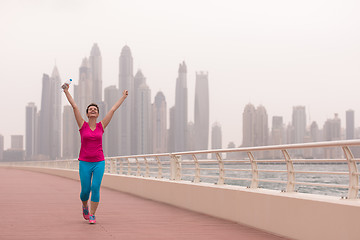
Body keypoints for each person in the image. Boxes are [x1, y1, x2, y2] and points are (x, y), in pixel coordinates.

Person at [63, 82, 128, 224]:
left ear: (98, 114)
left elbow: (112, 110)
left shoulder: (101, 125)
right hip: (85, 162)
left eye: (95, 109)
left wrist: (123, 97)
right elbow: (74, 106)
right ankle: (84, 206)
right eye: (90, 109)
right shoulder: (82, 125)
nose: (92, 110)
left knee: (95, 187)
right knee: (85, 190)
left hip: (99, 162)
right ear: (87, 113)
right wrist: (66, 91)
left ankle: (92, 214)